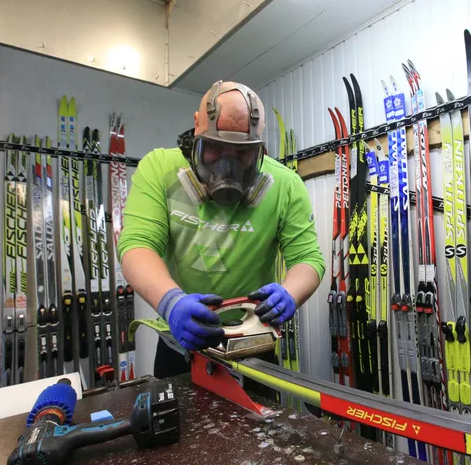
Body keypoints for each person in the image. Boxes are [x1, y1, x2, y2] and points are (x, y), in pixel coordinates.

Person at [117, 80, 324, 378]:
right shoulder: (160, 170)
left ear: (259, 148)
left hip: (253, 343)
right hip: (180, 345)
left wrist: (290, 294)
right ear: (196, 127)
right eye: (214, 149)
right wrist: (171, 302)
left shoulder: (285, 185)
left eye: (242, 154)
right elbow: (136, 246)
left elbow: (308, 259)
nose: (227, 165)